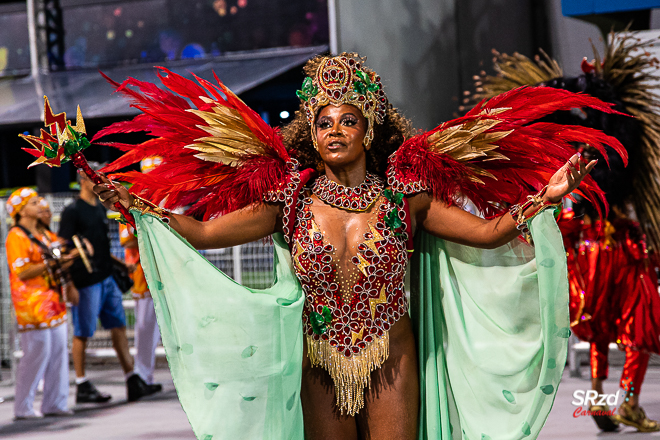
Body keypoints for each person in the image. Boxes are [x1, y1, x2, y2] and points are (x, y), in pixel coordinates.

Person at [89, 53, 621, 439]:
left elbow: (486, 232)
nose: (334, 130)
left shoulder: (402, 196)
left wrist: (543, 199)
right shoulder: (290, 198)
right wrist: (141, 206)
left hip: (393, 354)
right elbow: (205, 233)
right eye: (323, 122)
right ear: (310, 133)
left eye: (348, 120)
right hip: (318, 357)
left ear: (370, 129)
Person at [464, 32, 660, 433]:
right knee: (639, 325)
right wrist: (584, 92)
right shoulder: (608, 146)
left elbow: (543, 108)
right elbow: (620, 152)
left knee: (599, 330)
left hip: (583, 250)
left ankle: (602, 400)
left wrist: (568, 89)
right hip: (615, 248)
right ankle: (628, 401)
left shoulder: (567, 140)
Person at [59, 163, 160, 403]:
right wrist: (69, 283)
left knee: (118, 327)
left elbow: (101, 247)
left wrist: (120, 264)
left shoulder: (98, 209)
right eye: (95, 177)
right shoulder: (72, 211)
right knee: (83, 332)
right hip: (86, 281)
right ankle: (82, 383)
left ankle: (131, 378)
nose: (100, 181)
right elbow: (62, 248)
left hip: (107, 278)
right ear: (83, 179)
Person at [5, 188, 71, 419]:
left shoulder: (44, 235)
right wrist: (53, 264)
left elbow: (61, 249)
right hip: (32, 307)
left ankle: (55, 403)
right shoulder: (16, 236)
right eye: (34, 203)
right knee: (36, 355)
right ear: (21, 211)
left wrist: (71, 256)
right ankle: (23, 407)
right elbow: (22, 272)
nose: (40, 205)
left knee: (59, 354)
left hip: (54, 302)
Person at [118, 156, 164, 389]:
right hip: (144, 276)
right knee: (146, 328)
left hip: (170, 273)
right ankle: (143, 377)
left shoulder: (168, 194)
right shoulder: (131, 198)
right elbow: (127, 240)